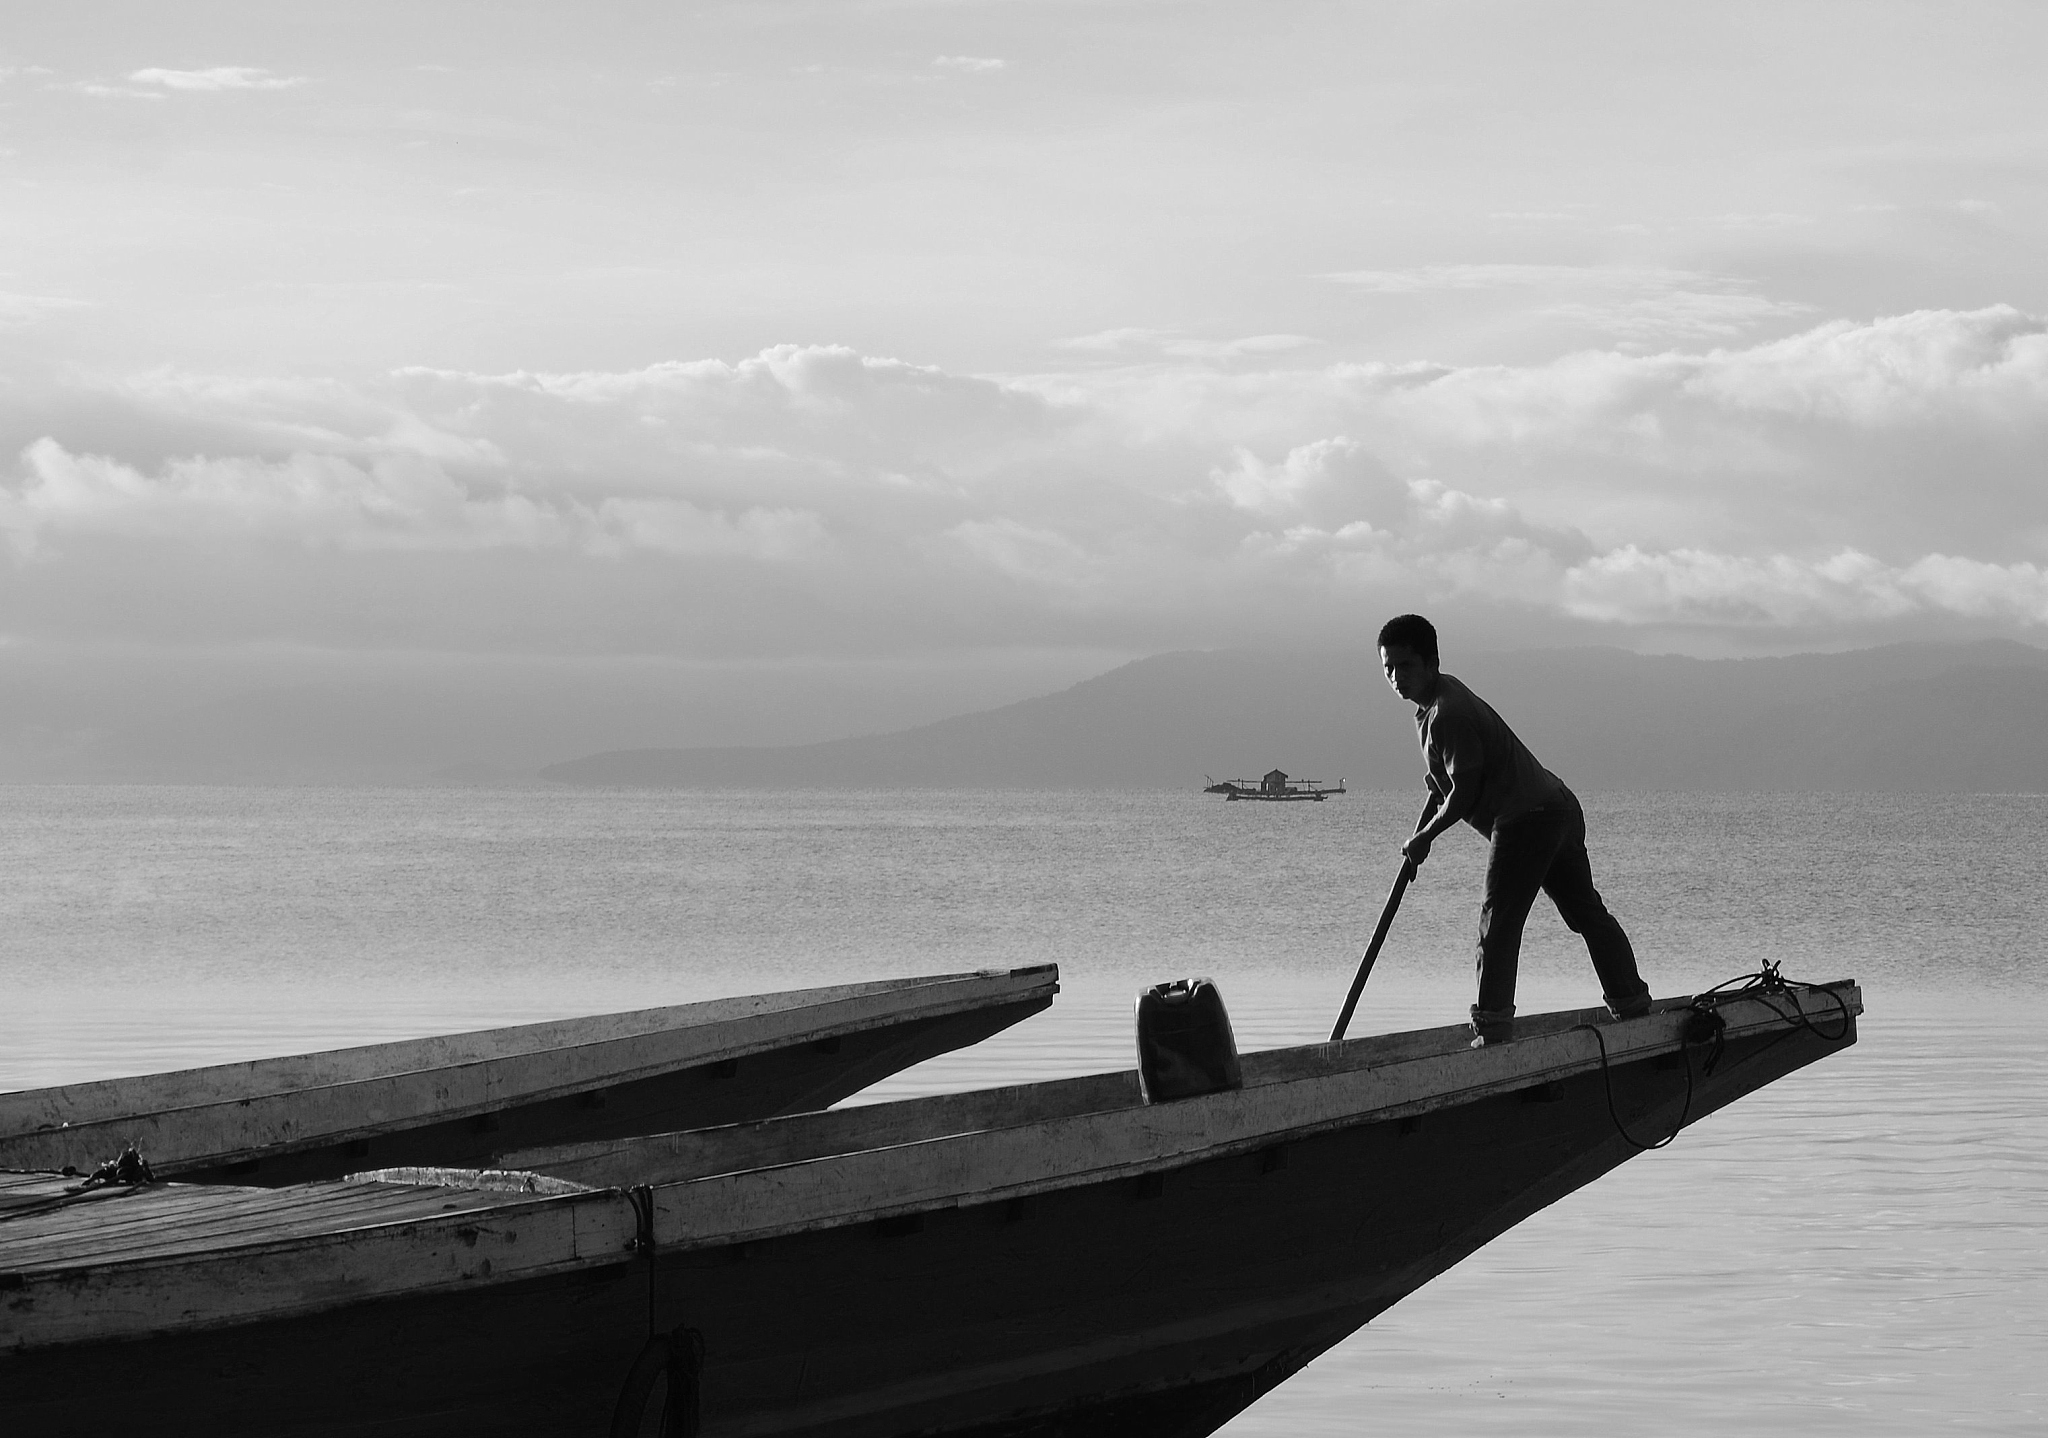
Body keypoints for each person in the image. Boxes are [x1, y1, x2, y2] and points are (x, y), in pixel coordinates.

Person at [1376, 614, 1652, 1046]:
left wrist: (1424, 837)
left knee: (1498, 927)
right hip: (1557, 805)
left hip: (1527, 821)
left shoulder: (1448, 712)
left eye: (1405, 666)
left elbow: (1464, 795)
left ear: (1432, 663)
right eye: (1388, 668)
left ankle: (1492, 1032)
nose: (1396, 677)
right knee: (1586, 914)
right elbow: (1465, 772)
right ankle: (1633, 1004)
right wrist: (1442, 784)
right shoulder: (1436, 705)